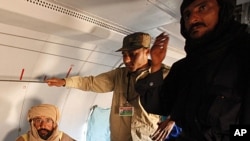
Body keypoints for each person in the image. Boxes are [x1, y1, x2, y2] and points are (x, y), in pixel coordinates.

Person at [135, 0, 250, 141]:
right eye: (187, 14)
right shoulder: (184, 68)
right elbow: (159, 106)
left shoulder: (244, 55)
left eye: (202, 7)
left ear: (222, 9)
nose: (192, 19)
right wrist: (156, 65)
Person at [44, 32, 180, 141]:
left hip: (146, 137)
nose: (127, 60)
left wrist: (171, 120)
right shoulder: (119, 75)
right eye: (124, 55)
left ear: (147, 52)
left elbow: (182, 99)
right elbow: (91, 82)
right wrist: (65, 82)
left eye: (133, 54)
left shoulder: (163, 74)